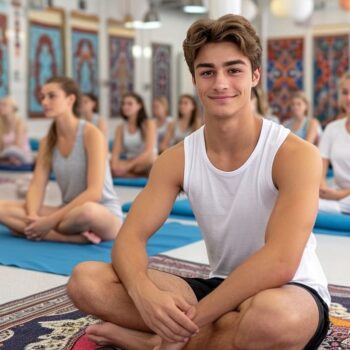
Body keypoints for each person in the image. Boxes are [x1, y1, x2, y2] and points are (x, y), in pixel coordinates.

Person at [67, 14, 330, 350]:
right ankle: (195, 338)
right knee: (86, 281)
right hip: (220, 284)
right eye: (208, 72)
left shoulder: (295, 154)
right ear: (195, 80)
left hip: (290, 289)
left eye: (233, 70)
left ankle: (154, 343)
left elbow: (280, 261)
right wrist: (144, 294)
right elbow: (128, 239)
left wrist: (188, 322)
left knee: (271, 319)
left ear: (254, 76)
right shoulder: (176, 158)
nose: (220, 83)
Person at [0, 76, 122, 244]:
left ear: (70, 99)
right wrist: (33, 215)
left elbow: (94, 193)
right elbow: (37, 185)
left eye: (52, 96)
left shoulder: (91, 134)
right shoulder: (47, 141)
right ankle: (66, 237)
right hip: (66, 212)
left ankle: (41, 230)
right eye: (42, 97)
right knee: (1, 208)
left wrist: (49, 222)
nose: (44, 102)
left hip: (101, 213)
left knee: (87, 212)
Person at [318, 72, 350, 214]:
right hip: (335, 194)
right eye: (344, 92)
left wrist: (340, 195)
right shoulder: (332, 129)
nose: (348, 98)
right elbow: (320, 167)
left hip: (342, 197)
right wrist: (323, 189)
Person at [110, 92, 157, 177]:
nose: (125, 107)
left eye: (129, 104)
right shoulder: (120, 128)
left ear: (139, 106)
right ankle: (135, 174)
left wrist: (128, 167)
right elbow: (115, 153)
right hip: (130, 161)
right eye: (123, 104)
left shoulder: (149, 124)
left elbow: (148, 152)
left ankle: (130, 174)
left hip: (145, 161)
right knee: (106, 163)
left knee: (152, 160)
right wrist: (114, 166)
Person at [0, 96, 33, 164]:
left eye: (4, 105)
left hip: (22, 156)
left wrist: (5, 147)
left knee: (13, 151)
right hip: (6, 156)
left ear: (13, 108)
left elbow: (18, 146)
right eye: (0, 104)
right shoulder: (1, 125)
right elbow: (1, 146)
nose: (1, 107)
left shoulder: (20, 123)